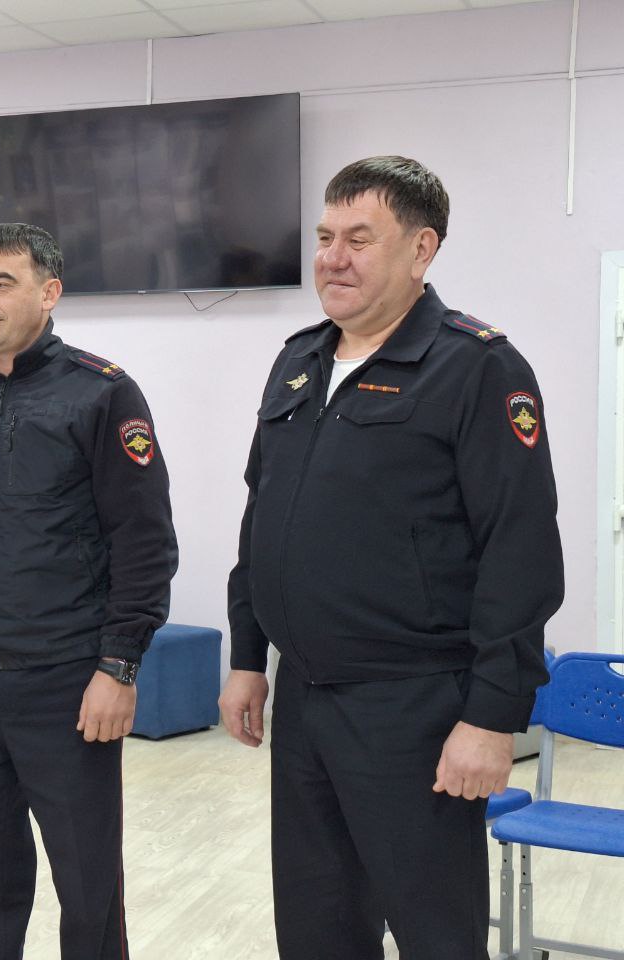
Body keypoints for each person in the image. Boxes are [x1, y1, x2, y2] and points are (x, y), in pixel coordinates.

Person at [220, 156, 564, 959]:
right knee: (317, 930)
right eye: (324, 237)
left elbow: (520, 552)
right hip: (304, 700)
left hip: (415, 708)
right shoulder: (298, 361)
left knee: (435, 934)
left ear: (421, 249)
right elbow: (261, 520)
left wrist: (491, 718)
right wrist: (246, 657)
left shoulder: (477, 366)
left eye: (359, 239)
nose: (332, 258)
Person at [0, 223, 178, 959]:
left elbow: (143, 542)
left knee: (86, 883)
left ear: (49, 292)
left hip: (67, 681)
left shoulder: (102, 393)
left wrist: (119, 666)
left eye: (1, 282)